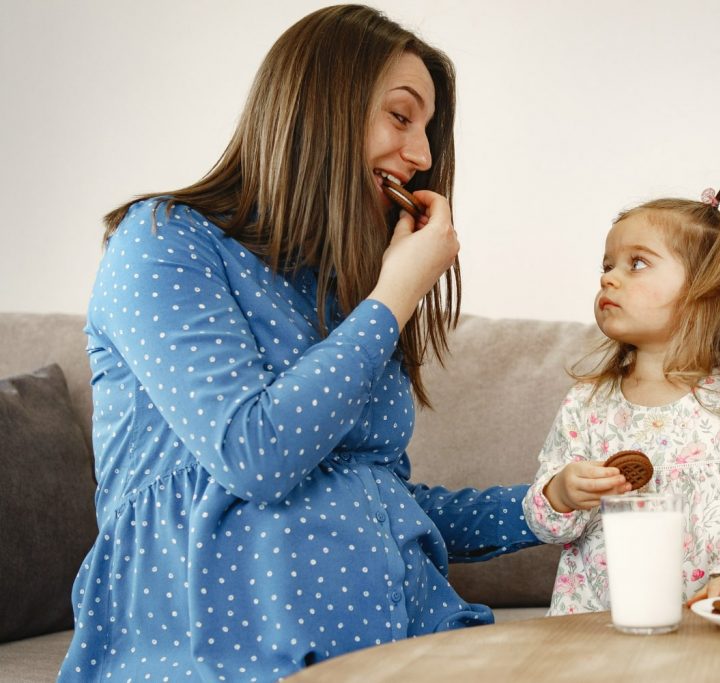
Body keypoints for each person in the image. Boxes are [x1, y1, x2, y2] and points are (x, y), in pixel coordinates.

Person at [59, 6, 540, 681]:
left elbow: (375, 498)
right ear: (321, 108)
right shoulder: (163, 242)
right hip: (223, 651)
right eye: (402, 118)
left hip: (413, 636)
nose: (424, 157)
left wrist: (540, 506)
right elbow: (253, 454)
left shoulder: (342, 293)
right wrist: (393, 298)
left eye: (428, 131)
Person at [524, 185, 720, 616]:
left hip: (710, 618)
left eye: (637, 263)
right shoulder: (586, 404)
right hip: (599, 626)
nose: (607, 278)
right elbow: (547, 525)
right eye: (607, 265)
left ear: (707, 287)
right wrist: (561, 492)